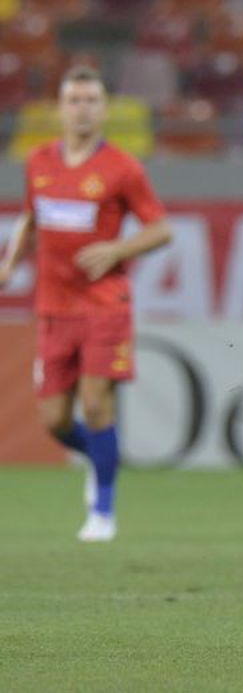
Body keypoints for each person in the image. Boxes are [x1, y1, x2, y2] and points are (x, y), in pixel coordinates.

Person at [0, 66, 172, 542]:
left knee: (97, 405)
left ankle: (103, 508)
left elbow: (161, 228)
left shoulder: (122, 167)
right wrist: (10, 263)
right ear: (60, 107)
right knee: (54, 419)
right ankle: (101, 461)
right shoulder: (38, 161)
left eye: (91, 100)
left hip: (103, 304)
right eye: (74, 100)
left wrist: (117, 250)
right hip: (53, 306)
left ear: (103, 108)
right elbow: (31, 218)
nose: (82, 108)